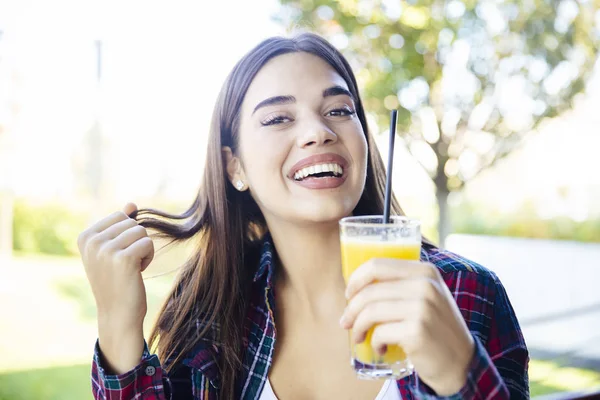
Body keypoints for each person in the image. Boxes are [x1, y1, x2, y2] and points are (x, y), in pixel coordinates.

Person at [77, 32, 529, 400]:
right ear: (235, 167)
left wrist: (459, 374)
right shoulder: (208, 318)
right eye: (278, 119)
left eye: (339, 110)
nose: (318, 131)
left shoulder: (467, 293)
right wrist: (118, 326)